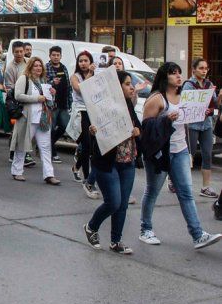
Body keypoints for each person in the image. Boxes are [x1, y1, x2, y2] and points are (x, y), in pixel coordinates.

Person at [139, 63, 222, 249]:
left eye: (179, 73)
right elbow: (147, 129)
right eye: (173, 73)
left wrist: (190, 152)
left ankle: (198, 235)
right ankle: (145, 229)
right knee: (152, 191)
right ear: (164, 76)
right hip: (160, 153)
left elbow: (185, 125)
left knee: (186, 193)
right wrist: (166, 119)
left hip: (181, 150)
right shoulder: (156, 99)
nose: (178, 76)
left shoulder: (184, 97)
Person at [83, 70, 141, 254]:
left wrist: (137, 131)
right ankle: (92, 226)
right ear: (116, 87)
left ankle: (116, 241)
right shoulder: (99, 107)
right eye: (127, 83)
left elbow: (138, 125)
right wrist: (92, 132)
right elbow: (88, 135)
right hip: (107, 162)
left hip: (128, 161)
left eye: (131, 83)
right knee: (114, 202)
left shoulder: (128, 105)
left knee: (123, 204)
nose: (131, 87)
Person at [10, 57, 59, 185]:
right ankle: (17, 171)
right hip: (28, 118)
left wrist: (52, 94)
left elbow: (48, 101)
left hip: (43, 119)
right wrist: (37, 98)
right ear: (30, 67)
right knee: (22, 145)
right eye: (35, 65)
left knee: (46, 147)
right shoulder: (24, 79)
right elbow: (18, 95)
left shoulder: (43, 81)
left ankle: (49, 174)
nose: (38, 68)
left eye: (40, 66)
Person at [183, 58, 218, 198]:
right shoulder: (188, 84)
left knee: (207, 154)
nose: (204, 71)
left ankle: (205, 187)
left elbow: (214, 103)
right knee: (188, 155)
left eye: (206, 68)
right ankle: (177, 180)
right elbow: (186, 103)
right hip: (192, 124)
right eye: (201, 68)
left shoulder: (209, 84)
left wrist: (218, 97)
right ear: (194, 70)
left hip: (206, 124)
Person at [70, 51, 100, 198]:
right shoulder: (75, 77)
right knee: (87, 145)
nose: (83, 63)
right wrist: (90, 74)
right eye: (80, 61)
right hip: (80, 112)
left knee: (91, 146)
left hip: (93, 112)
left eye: (86, 60)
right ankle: (88, 180)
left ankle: (76, 167)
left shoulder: (97, 75)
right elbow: (81, 89)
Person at [46, 46, 72, 164]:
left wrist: (70, 101)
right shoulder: (46, 67)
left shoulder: (64, 67)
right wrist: (52, 82)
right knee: (51, 129)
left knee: (64, 126)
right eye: (53, 55)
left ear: (61, 56)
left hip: (64, 103)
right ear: (50, 56)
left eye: (58, 55)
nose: (56, 57)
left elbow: (68, 86)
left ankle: (48, 144)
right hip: (52, 105)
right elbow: (43, 84)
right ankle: (53, 153)